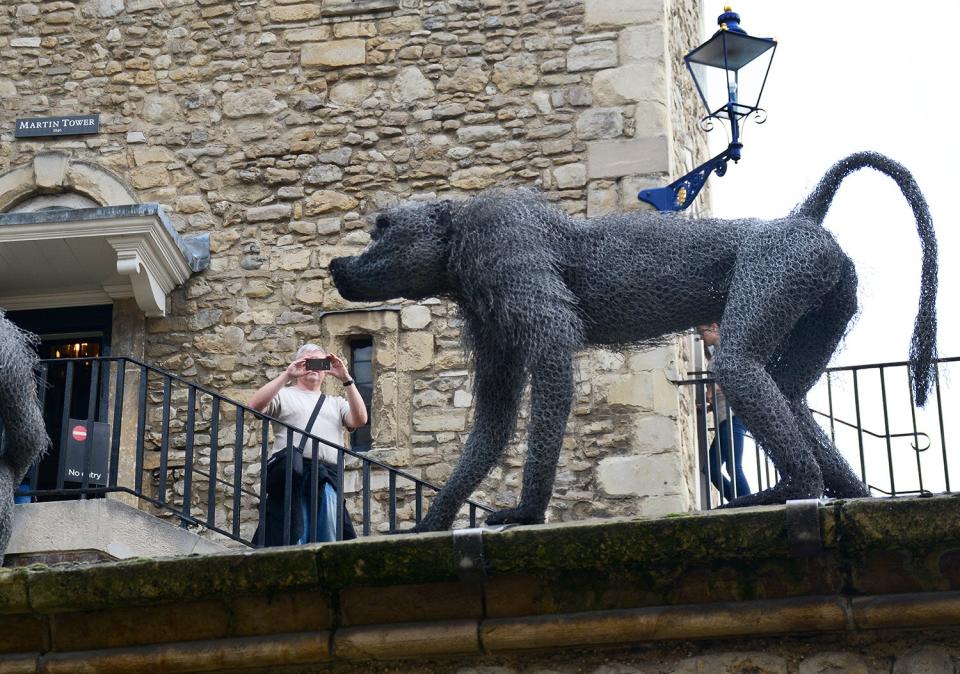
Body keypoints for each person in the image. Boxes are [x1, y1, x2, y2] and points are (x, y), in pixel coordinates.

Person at [249, 343, 368, 545]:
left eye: (319, 363)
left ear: (326, 370)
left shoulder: (335, 402)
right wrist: (287, 375)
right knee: (296, 533)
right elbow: (255, 406)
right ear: (299, 364)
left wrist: (346, 379)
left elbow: (360, 419)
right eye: (308, 362)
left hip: (328, 476)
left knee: (329, 534)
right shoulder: (284, 395)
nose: (314, 367)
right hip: (294, 474)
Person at [696, 323, 752, 502]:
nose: (701, 338)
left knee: (733, 467)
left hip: (734, 417)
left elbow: (738, 379)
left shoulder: (729, 351)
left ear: (713, 328)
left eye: (702, 332)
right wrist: (709, 404)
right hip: (722, 419)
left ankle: (749, 504)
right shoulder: (716, 355)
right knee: (710, 469)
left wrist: (714, 388)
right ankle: (740, 502)